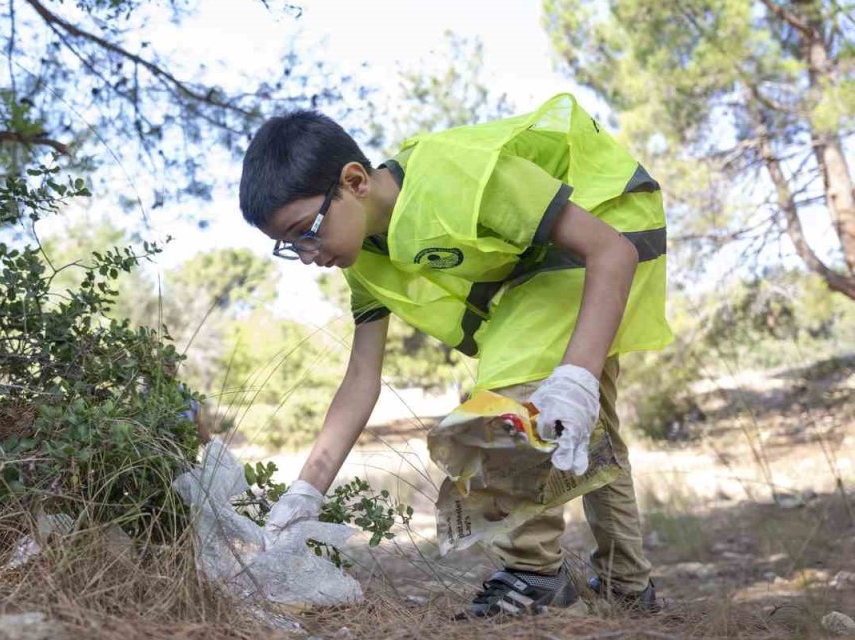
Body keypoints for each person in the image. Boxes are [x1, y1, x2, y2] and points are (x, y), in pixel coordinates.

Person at [236, 94, 673, 617]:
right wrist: (305, 492)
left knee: (510, 400)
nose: (307, 255)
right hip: (541, 265)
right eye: (289, 246)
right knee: (584, 425)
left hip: (610, 218)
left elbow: (611, 250)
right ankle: (628, 587)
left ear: (354, 182)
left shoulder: (451, 178)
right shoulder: (365, 264)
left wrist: (576, 374)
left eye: (305, 232)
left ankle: (535, 578)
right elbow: (360, 379)